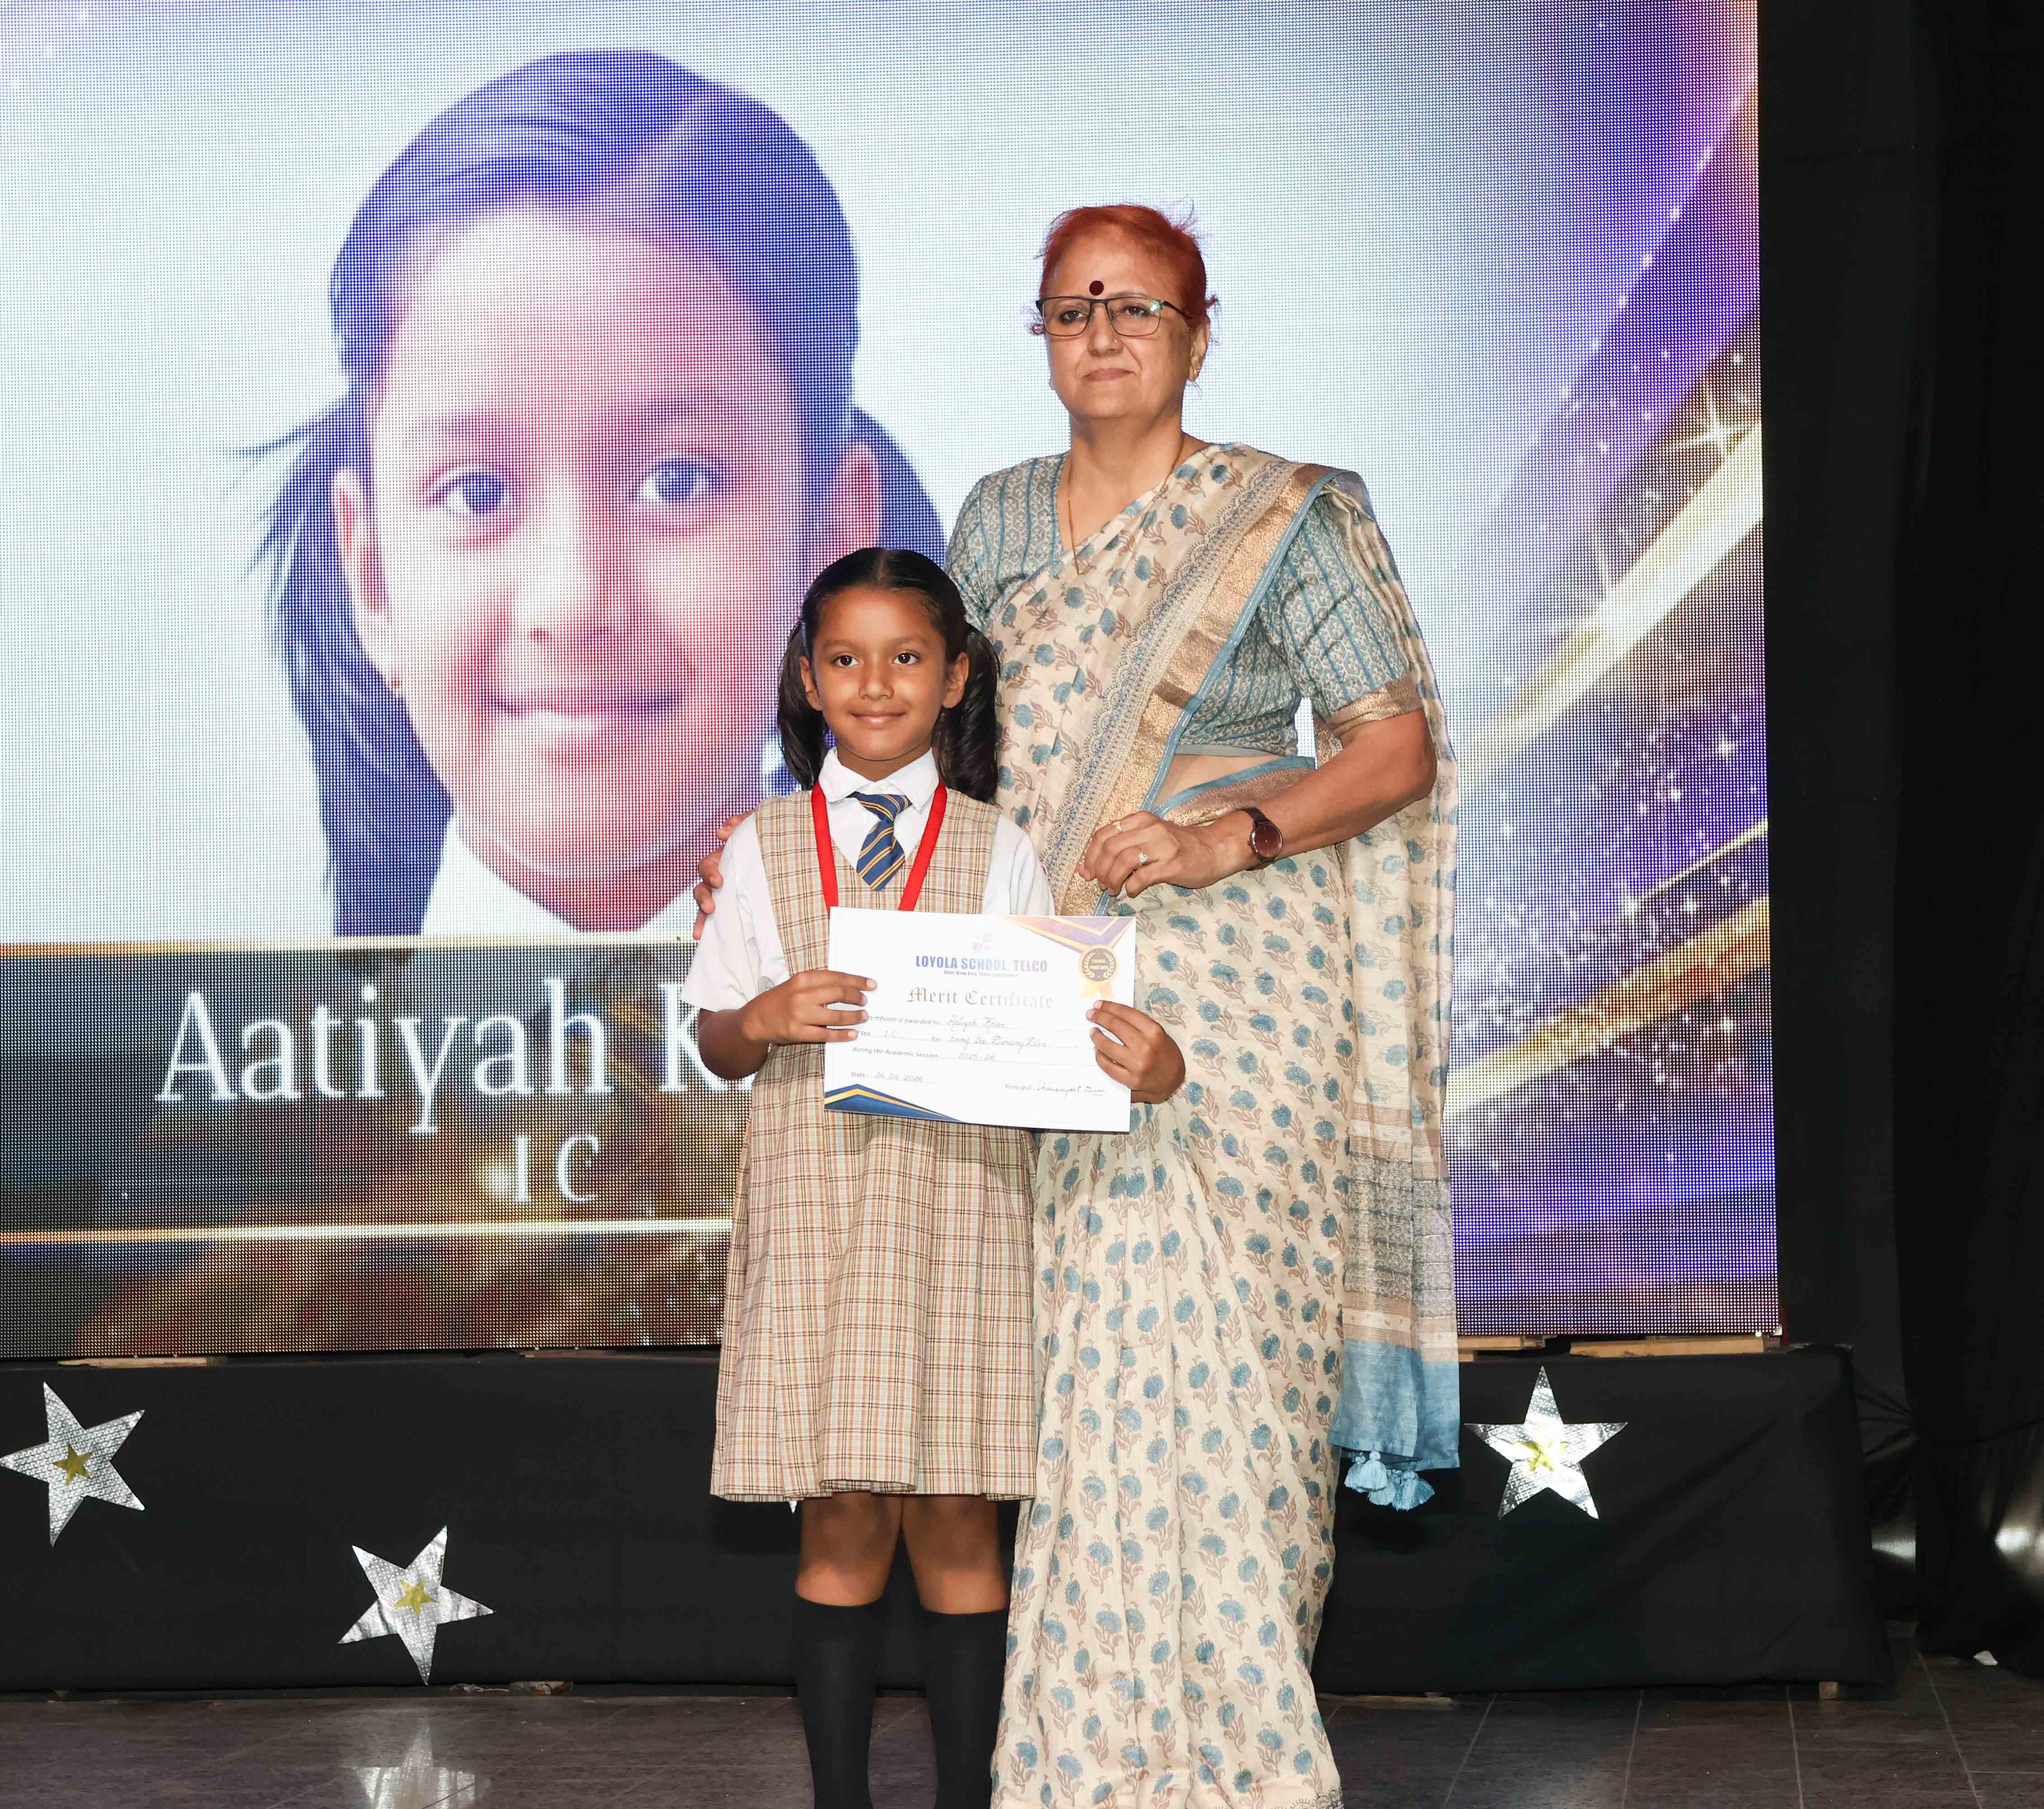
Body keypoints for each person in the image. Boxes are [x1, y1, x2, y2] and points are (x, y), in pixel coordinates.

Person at [936, 203, 1464, 1809]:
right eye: (1072, 307)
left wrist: (1225, 834)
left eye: (1137, 307)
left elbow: (1394, 744)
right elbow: (950, 757)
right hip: (1055, 971)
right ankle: (1088, 1766)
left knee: (1234, 1363)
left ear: (1199, 331)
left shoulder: (1289, 516)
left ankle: (1240, 1762)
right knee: (1089, 1375)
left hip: (1245, 978)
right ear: (1042, 333)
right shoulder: (995, 519)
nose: (1102, 333)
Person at [683, 548, 1186, 1809]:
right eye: (845, 659)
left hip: (962, 1215)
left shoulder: (996, 846)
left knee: (961, 1518)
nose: (875, 683)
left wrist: (1137, 1061)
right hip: (815, 1218)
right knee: (842, 1518)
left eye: (906, 657)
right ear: (808, 677)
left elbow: (1048, 1039)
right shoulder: (758, 847)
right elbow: (715, 1041)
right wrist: (764, 1016)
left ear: (956, 677)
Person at [260, 50, 942, 938]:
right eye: (476, 493)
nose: (573, 603)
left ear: (833, 552)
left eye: (676, 482)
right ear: (374, 577)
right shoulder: (201, 1020)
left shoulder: (1023, 1015)